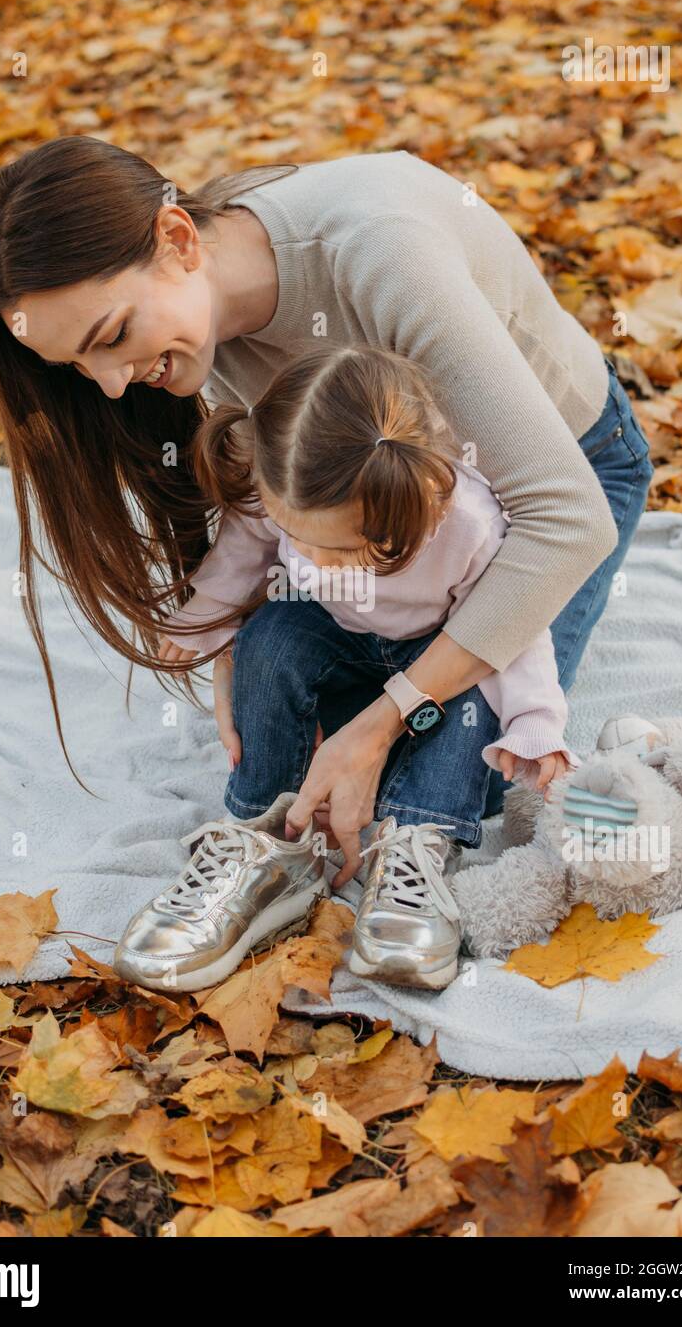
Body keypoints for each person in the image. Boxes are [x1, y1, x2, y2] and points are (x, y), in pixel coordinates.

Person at [0, 136, 654, 877]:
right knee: (312, 737)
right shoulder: (202, 324)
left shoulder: (383, 259)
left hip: (558, 482)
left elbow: (567, 519)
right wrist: (232, 637)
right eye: (78, 365)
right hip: (394, 532)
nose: (111, 385)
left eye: (114, 337)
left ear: (178, 238)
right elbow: (271, 508)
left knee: (464, 755)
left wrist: (386, 719)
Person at [118, 344, 581, 992]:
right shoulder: (278, 481)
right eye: (293, 533)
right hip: (338, 634)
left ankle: (417, 844)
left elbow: (513, 633)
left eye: (331, 546)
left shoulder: (468, 526)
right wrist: (207, 617)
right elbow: (244, 551)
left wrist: (536, 722)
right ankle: (271, 829)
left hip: (436, 655)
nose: (304, 554)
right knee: (270, 639)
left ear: (409, 507)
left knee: (476, 702)